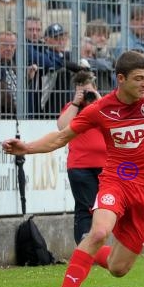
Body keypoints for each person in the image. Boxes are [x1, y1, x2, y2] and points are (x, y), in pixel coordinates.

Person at [2, 51, 144, 287]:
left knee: (119, 268)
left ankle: (89, 254)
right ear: (121, 79)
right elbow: (62, 137)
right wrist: (28, 147)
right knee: (98, 232)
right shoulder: (101, 109)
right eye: (139, 79)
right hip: (115, 180)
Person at [57, 70, 106, 244]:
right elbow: (63, 127)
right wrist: (76, 103)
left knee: (103, 207)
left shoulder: (102, 106)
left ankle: (92, 245)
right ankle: (86, 247)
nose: (86, 95)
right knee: (86, 208)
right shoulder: (72, 108)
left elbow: (114, 123)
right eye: (81, 91)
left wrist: (98, 99)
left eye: (88, 90)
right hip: (80, 166)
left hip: (104, 166)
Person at [114, 6, 144, 87]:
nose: (143, 23)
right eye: (138, 19)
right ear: (130, 22)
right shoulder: (127, 44)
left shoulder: (142, 41)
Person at [84, 19, 116, 93]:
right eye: (99, 35)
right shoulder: (81, 49)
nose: (103, 38)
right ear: (88, 36)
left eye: (106, 36)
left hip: (105, 94)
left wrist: (89, 61)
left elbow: (106, 65)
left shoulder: (108, 51)